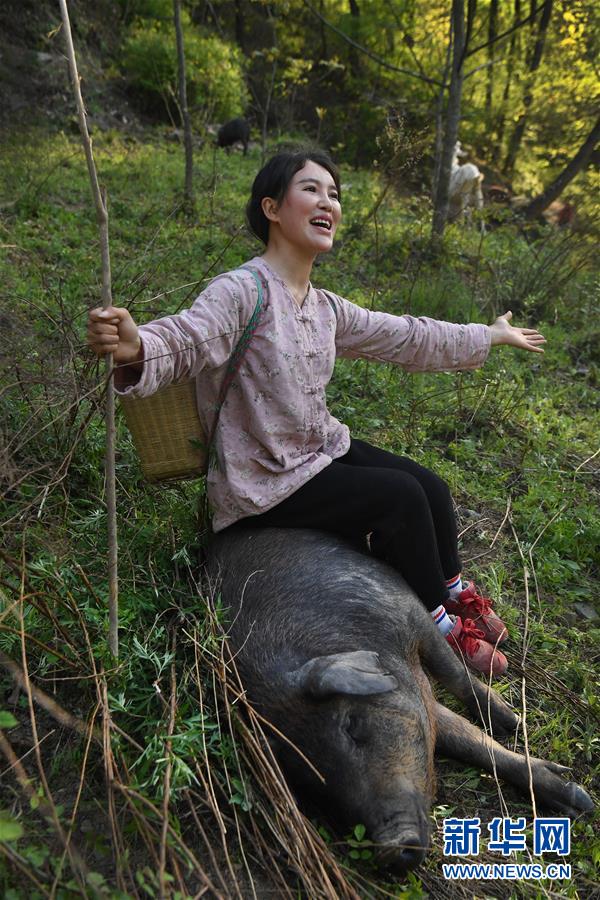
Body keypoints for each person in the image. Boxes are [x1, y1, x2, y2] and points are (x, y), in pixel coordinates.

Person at [88, 149, 546, 677]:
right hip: (265, 478)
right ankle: (443, 630)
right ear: (272, 208)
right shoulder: (242, 290)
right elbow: (189, 337)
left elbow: (404, 335)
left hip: (316, 451)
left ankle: (455, 590)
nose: (327, 201)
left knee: (431, 486)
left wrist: (485, 334)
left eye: (334, 193)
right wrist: (135, 347)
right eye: (311, 189)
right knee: (399, 498)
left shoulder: (323, 306)